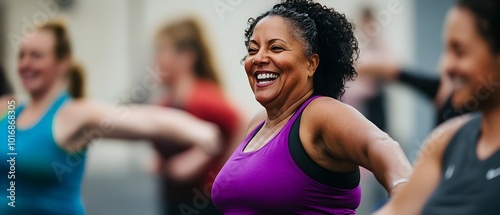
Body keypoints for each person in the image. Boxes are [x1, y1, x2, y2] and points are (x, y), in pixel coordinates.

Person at [0, 20, 221, 215]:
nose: (25, 64)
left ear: (63, 63)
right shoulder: (9, 111)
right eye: (21, 55)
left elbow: (147, 120)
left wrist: (203, 133)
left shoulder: (72, 113)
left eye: (36, 56)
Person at [211, 0, 412, 214]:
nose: (258, 58)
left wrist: (404, 196)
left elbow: (380, 145)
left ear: (311, 64)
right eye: (252, 50)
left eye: (276, 48)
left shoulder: (319, 113)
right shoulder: (257, 124)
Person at [374, 0, 500, 214]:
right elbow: (397, 210)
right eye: (446, 50)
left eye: (459, 51)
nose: (445, 65)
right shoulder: (446, 140)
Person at [152, 17, 245, 215]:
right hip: (173, 201)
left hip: (205, 204)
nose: (155, 59)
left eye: (161, 50)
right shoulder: (166, 103)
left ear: (186, 57)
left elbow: (244, 125)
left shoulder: (203, 98)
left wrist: (219, 171)